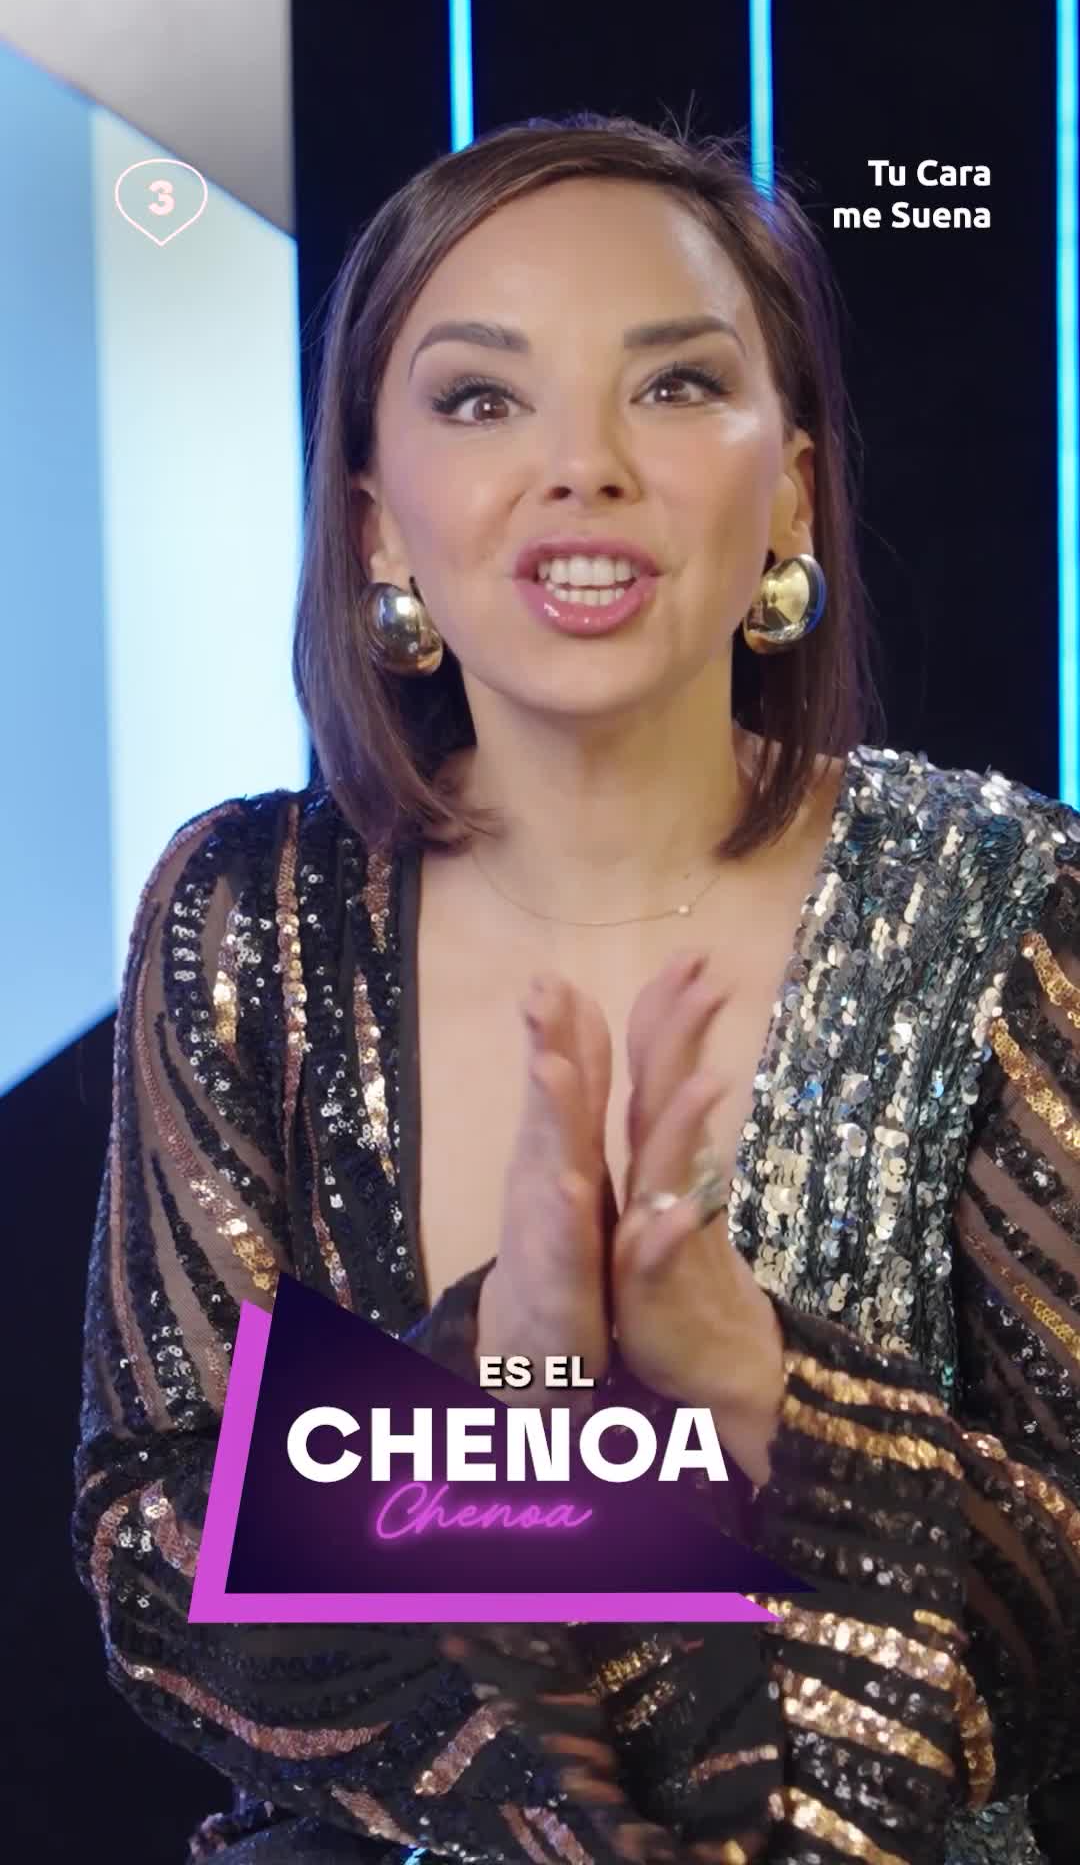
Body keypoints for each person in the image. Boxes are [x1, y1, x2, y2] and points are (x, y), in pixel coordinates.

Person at [72, 112, 1080, 1865]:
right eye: (482, 399)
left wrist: (759, 1387)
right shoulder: (244, 913)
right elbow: (161, 1558)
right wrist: (506, 1383)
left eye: (674, 386)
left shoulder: (1009, 899)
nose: (582, 467)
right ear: (376, 522)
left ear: (791, 489)